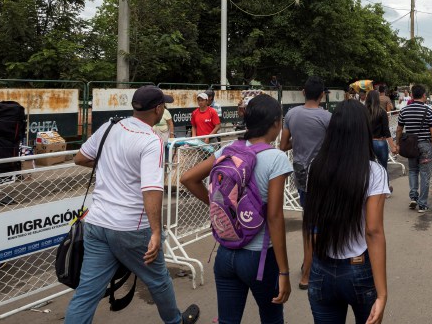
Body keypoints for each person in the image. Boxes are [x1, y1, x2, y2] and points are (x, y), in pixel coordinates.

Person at [66, 85, 199, 324]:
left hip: (97, 224)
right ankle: (175, 321)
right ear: (158, 109)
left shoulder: (110, 126)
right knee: (158, 280)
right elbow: (151, 190)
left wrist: (110, 167)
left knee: (87, 292)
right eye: (164, 105)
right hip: (131, 228)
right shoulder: (151, 140)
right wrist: (156, 232)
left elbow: (80, 157)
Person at [181, 95, 292, 324]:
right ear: (275, 123)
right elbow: (274, 216)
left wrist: (220, 207)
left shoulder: (228, 150)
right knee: (272, 317)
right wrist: (284, 271)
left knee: (228, 320)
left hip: (225, 253)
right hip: (259, 258)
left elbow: (188, 178)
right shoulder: (276, 158)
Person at [303, 100, 389, 324]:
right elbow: (373, 231)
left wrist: (308, 268)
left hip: (321, 269)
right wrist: (382, 293)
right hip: (358, 269)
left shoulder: (316, 166)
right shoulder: (374, 172)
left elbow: (312, 221)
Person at [279, 76, 331, 290]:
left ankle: (308, 264)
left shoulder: (291, 114)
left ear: (303, 92)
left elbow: (283, 145)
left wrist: (298, 141)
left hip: (300, 174)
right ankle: (309, 271)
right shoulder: (328, 117)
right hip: (322, 174)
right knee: (318, 224)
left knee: (308, 220)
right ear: (322, 95)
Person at [394, 84, 432, 214]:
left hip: (411, 145)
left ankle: (413, 197)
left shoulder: (404, 110)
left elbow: (399, 129)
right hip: (425, 146)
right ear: (424, 95)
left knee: (413, 171)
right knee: (425, 174)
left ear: (412, 95)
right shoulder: (429, 111)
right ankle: (422, 204)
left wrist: (397, 144)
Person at [366, 90, 396, 182]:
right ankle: (384, 189)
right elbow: (386, 131)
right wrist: (392, 146)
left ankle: (371, 189)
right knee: (383, 167)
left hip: (367, 143)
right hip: (380, 142)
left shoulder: (363, 112)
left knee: (369, 168)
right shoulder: (382, 112)